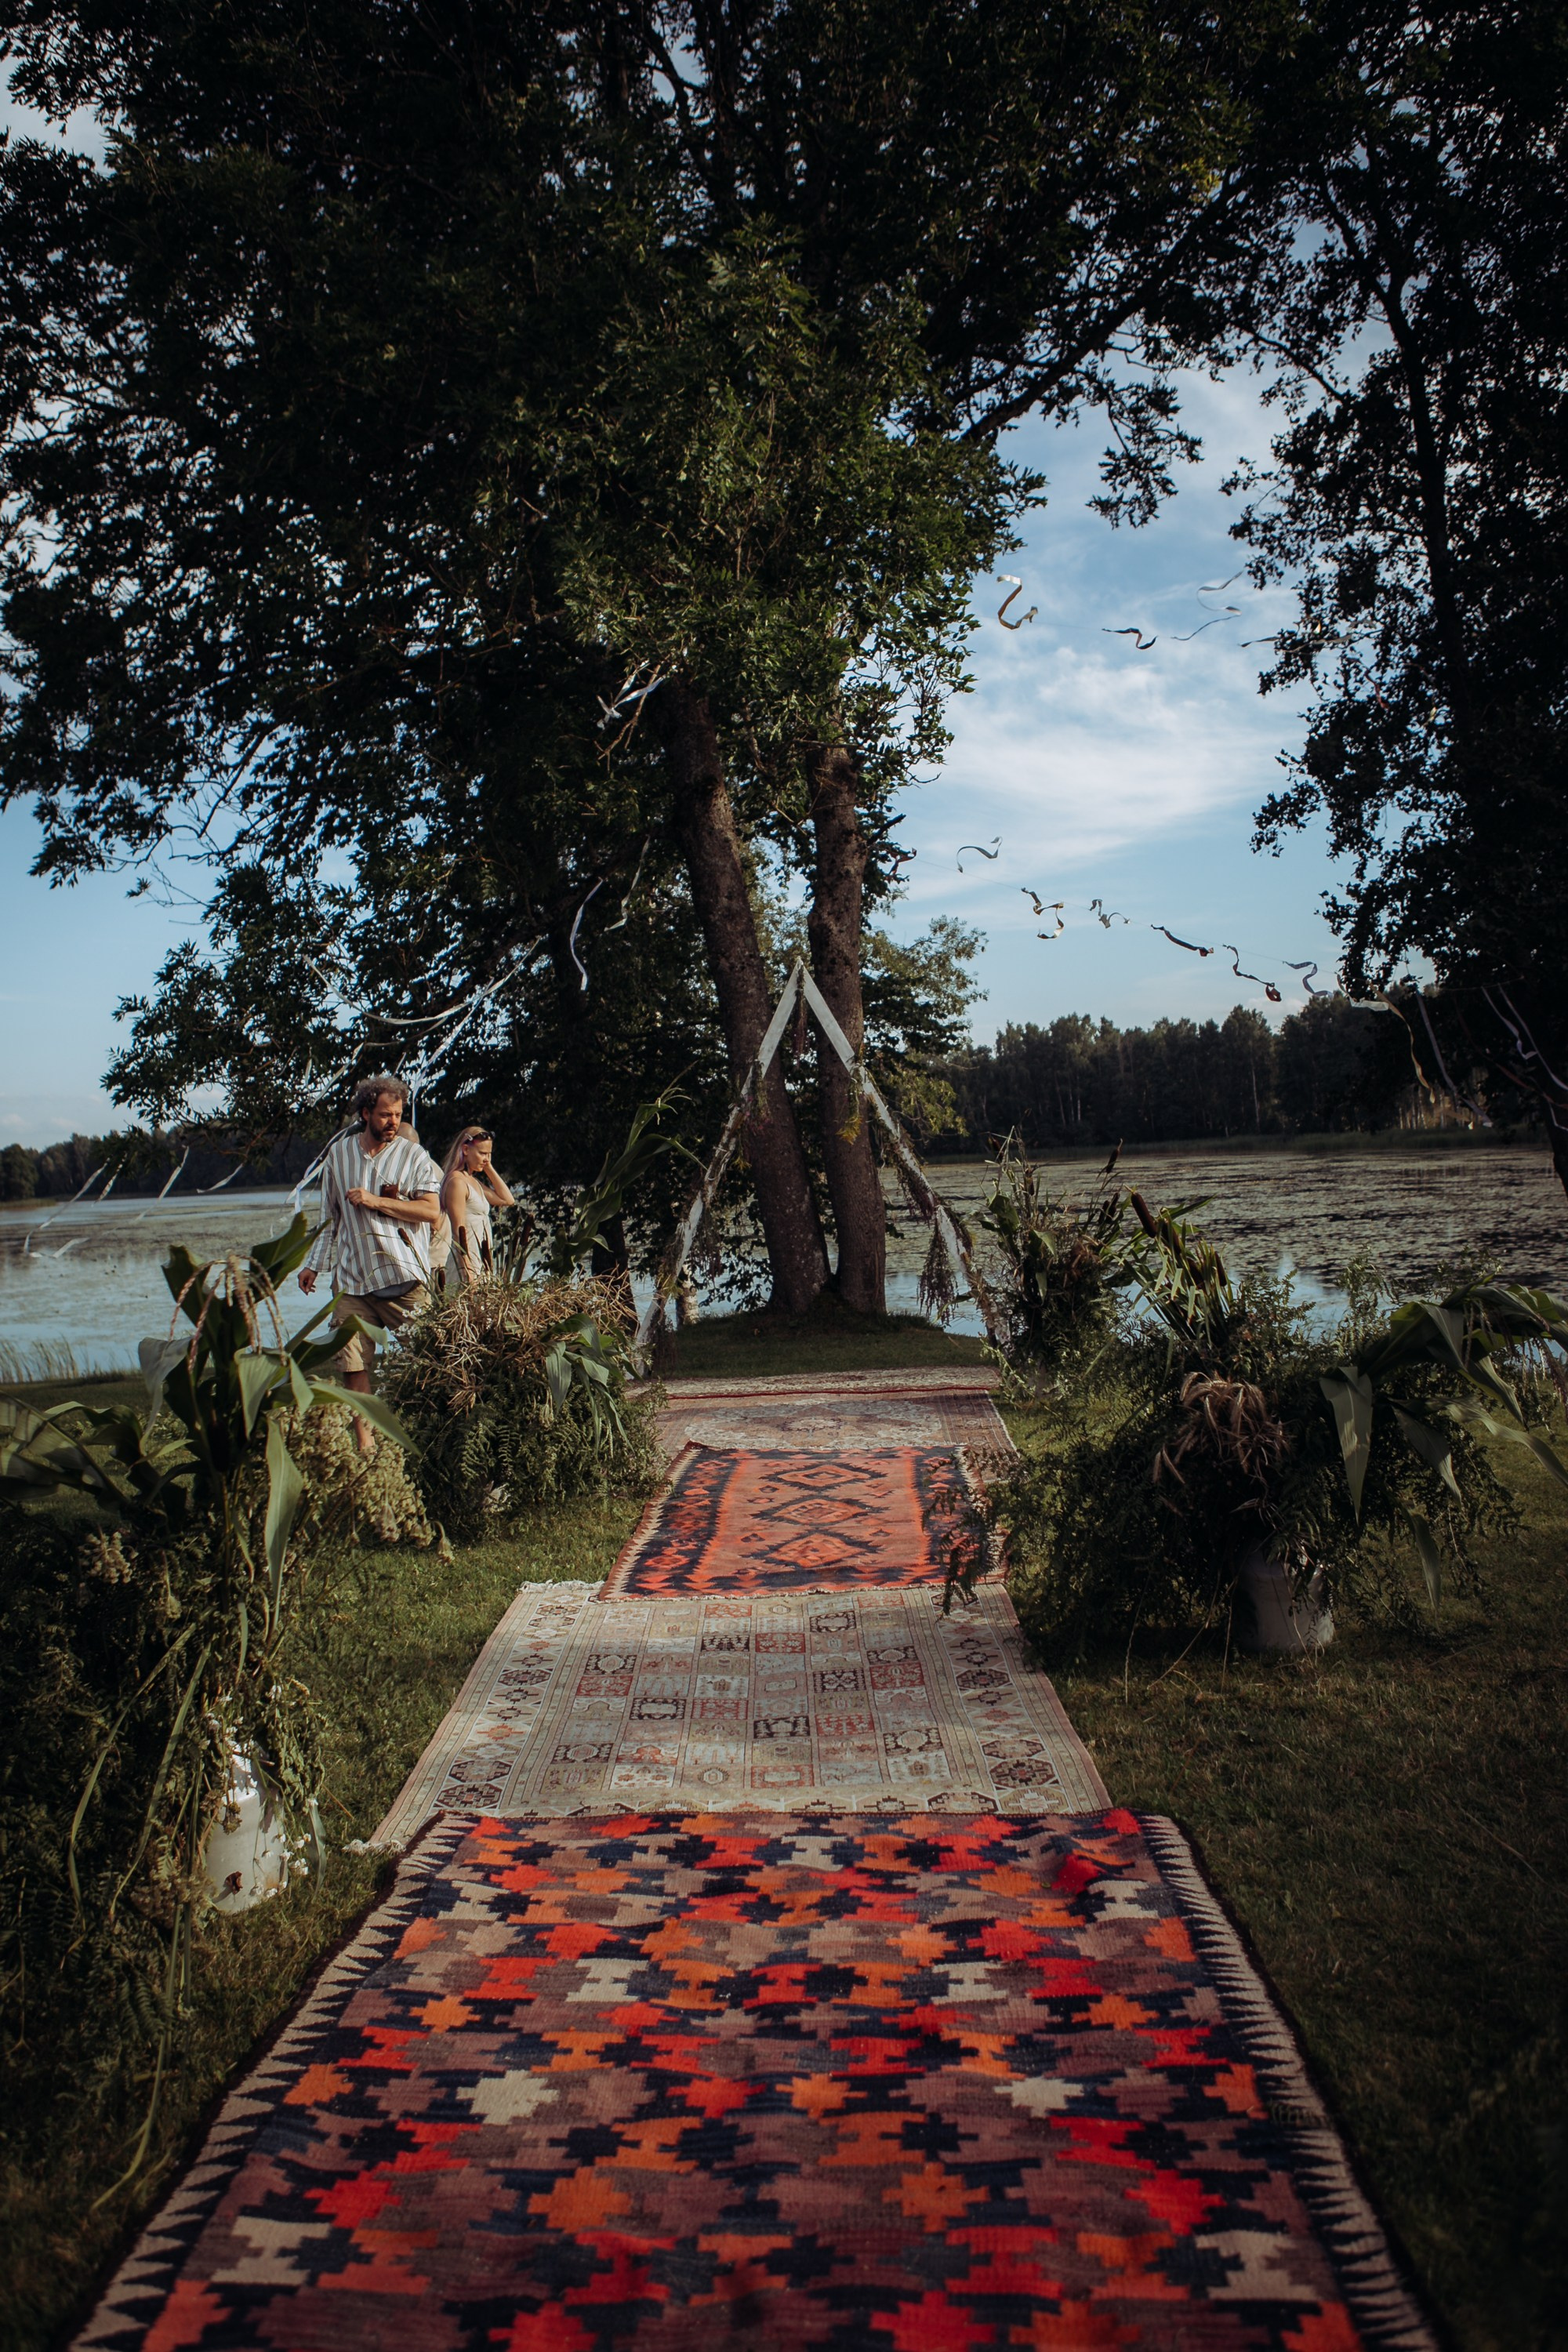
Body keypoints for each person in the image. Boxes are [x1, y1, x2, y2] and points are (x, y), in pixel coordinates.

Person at [298, 1075, 442, 1450]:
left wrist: (377, 1201)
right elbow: (330, 1216)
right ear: (365, 1114)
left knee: (429, 1360)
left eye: (397, 1114)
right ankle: (366, 1447)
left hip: (403, 1278)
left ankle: (432, 1436)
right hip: (352, 1280)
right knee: (352, 1364)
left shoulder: (414, 1157)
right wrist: (314, 1264)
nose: (392, 1121)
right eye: (384, 1115)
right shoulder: (339, 1155)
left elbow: (431, 1212)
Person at [439, 1126, 516, 1286]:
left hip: (481, 1261)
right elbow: (457, 1231)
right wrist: (468, 1271)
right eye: (482, 1153)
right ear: (466, 1149)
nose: (486, 1158)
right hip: (466, 1266)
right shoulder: (457, 1182)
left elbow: (508, 1200)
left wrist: (488, 1167)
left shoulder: (474, 1182)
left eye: (489, 1154)